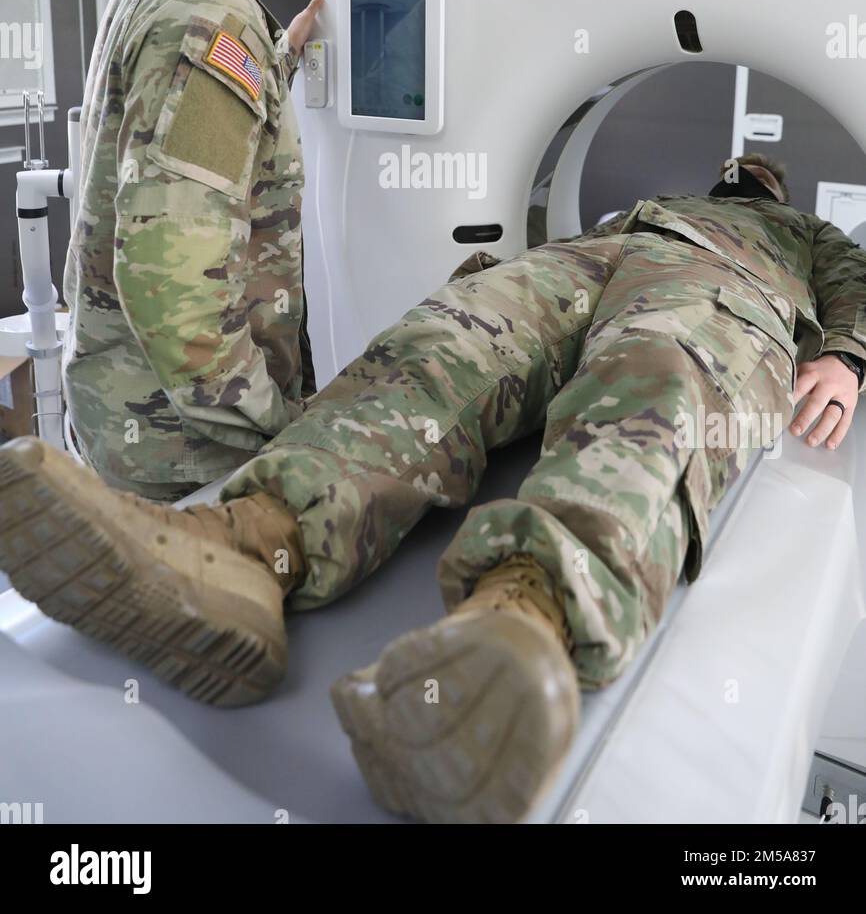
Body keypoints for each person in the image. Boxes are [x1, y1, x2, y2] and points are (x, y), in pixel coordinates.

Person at [3, 152, 865, 824]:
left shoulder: (802, 234)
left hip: (720, 290)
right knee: (445, 340)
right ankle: (248, 546)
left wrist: (849, 356)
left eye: (752, 174)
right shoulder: (658, 200)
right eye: (737, 171)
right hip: (587, 258)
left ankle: (519, 623)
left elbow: (856, 284)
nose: (741, 175)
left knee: (656, 384)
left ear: (770, 187)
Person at [63, 0, 335, 499]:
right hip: (188, 448)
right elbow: (169, 278)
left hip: (119, 412)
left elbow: (178, 138)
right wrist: (280, 425)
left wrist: (277, 58)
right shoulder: (216, 18)